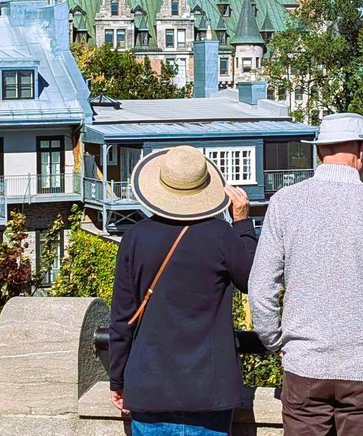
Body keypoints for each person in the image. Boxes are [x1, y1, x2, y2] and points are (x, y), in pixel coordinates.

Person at [249, 113, 363, 436]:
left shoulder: (285, 203)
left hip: (305, 364)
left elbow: (261, 289)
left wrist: (276, 342)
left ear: (319, 153)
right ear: (362, 153)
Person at [109, 145, 257, 436]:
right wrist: (242, 224)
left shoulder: (135, 238)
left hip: (149, 387)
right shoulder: (220, 235)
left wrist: (118, 380)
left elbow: (122, 320)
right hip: (209, 389)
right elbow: (253, 279)